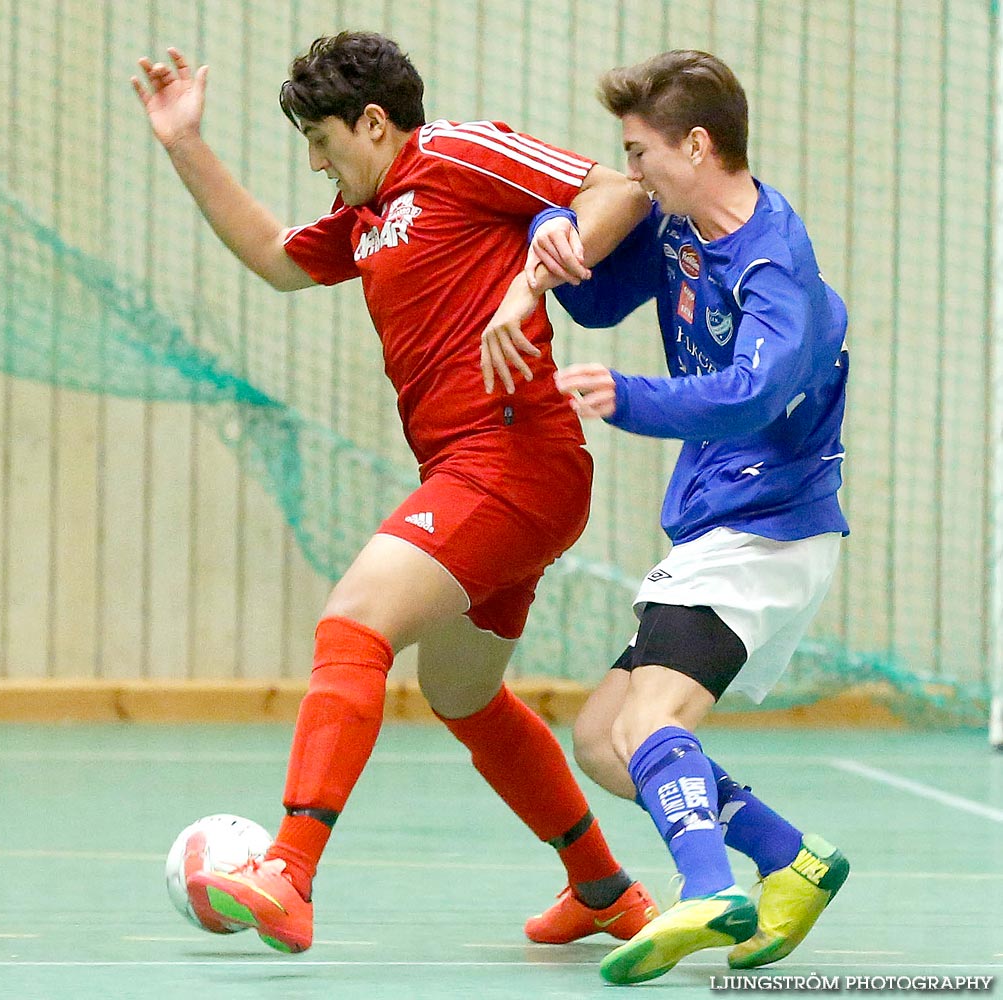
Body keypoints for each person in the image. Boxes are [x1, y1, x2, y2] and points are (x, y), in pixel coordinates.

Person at [132, 31, 659, 955]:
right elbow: (274, 255)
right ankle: (604, 890)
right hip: (471, 473)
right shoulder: (366, 217)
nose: (315, 164)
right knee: (462, 695)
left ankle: (288, 872)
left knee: (353, 626)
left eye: (323, 141)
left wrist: (532, 281)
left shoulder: (456, 152)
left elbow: (616, 189)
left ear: (373, 122)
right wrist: (183, 144)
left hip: (514, 458)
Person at [482, 49, 851, 985]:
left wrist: (629, 399)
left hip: (763, 530)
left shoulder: (777, 270)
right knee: (606, 739)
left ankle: (706, 888)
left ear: (695, 144)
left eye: (638, 152)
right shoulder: (680, 223)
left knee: (649, 722)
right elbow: (603, 299)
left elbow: (753, 395)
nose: (630, 171)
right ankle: (791, 860)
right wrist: (552, 237)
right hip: (721, 527)